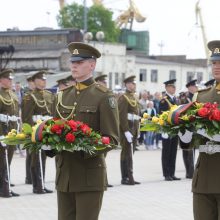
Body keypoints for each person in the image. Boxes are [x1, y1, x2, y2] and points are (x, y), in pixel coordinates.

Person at [53, 42, 119, 220]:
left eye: (79, 62)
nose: (74, 65)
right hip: (64, 175)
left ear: (92, 65)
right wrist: (48, 145)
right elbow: (53, 130)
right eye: (72, 61)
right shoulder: (61, 96)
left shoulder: (104, 96)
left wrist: (83, 148)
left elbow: (111, 139)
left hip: (89, 176)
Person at [179, 40, 220, 220]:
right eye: (214, 62)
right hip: (204, 178)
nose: (216, 67)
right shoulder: (201, 97)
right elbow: (189, 144)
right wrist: (184, 131)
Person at [21, 70, 54, 194]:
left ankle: (42, 183)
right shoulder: (29, 97)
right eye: (41, 79)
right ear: (34, 81)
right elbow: (26, 117)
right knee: (36, 158)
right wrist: (30, 133)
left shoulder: (50, 95)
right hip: (36, 130)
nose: (43, 81)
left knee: (43, 157)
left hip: (47, 130)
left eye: (45, 79)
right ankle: (37, 185)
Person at [0, 69, 20, 198]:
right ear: (1, 80)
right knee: (2, 160)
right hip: (3, 130)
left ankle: (5, 186)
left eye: (11, 79)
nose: (11, 81)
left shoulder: (12, 94)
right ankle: (4, 188)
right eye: (8, 79)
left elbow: (16, 114)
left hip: (12, 130)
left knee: (9, 159)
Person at [118, 75, 141, 185]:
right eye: (132, 83)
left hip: (134, 127)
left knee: (131, 153)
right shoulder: (123, 97)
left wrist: (138, 129)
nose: (134, 85)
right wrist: (126, 131)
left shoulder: (134, 97)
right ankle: (125, 177)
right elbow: (121, 115)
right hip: (127, 129)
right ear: (127, 85)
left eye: (135, 83)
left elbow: (137, 114)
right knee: (126, 153)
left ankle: (130, 175)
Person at [159, 79, 181, 181]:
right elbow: (162, 114)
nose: (174, 88)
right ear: (167, 88)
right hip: (167, 129)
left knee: (173, 152)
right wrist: (164, 129)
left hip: (175, 129)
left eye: (174, 87)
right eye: (172, 87)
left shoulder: (176, 99)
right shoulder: (164, 100)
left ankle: (172, 173)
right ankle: (166, 174)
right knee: (166, 152)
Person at [95, 74, 113, 188]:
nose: (105, 84)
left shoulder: (106, 96)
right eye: (103, 82)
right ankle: (101, 180)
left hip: (104, 132)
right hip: (96, 132)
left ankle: (104, 179)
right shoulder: (95, 96)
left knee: (103, 156)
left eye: (106, 82)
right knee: (99, 158)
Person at [179, 79, 198, 179]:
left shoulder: (195, 97)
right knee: (187, 149)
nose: (196, 88)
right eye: (194, 86)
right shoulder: (185, 97)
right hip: (186, 126)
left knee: (192, 149)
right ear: (190, 87)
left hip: (193, 126)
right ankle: (189, 171)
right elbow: (181, 110)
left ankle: (190, 171)